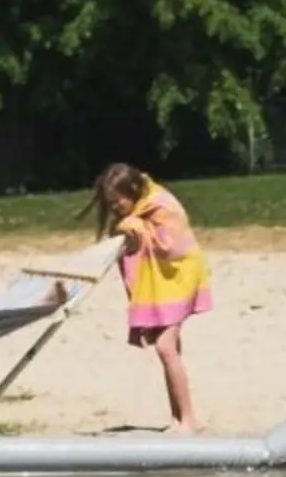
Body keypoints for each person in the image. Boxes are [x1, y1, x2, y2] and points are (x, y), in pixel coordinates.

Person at [85, 164, 212, 432]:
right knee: (170, 348)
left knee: (166, 346)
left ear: (132, 191)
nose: (116, 209)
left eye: (118, 202)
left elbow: (171, 243)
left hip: (181, 274)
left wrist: (136, 227)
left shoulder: (160, 204)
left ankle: (189, 419)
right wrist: (132, 225)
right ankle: (178, 418)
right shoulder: (140, 209)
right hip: (166, 278)